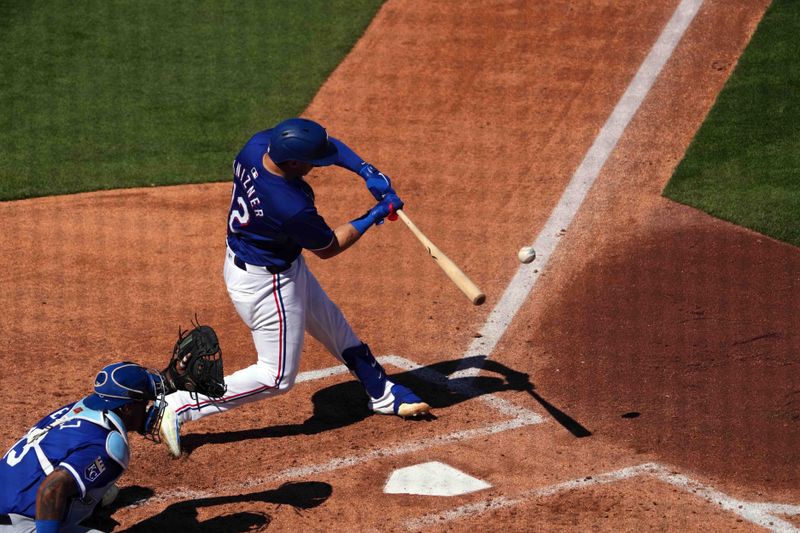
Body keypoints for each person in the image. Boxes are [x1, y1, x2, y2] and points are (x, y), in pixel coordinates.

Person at [159, 117, 430, 457]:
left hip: (266, 261)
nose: (318, 166)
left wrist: (366, 170)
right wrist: (376, 213)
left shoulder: (257, 146)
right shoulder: (288, 205)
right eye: (311, 163)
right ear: (292, 162)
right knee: (276, 377)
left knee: (330, 320)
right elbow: (329, 247)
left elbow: (327, 149)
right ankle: (178, 407)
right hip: (266, 284)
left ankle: (380, 390)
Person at [0, 362, 167, 533]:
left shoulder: (75, 409)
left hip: (9, 500)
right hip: (15, 525)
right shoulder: (108, 443)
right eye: (146, 403)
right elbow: (52, 488)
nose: (149, 409)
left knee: (95, 491)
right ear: (127, 408)